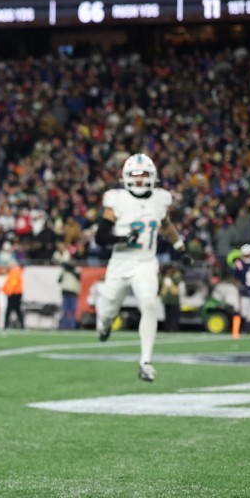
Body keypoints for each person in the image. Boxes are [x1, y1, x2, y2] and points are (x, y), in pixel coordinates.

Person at [93, 153, 188, 382]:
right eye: (134, 175)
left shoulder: (160, 199)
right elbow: (100, 236)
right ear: (126, 177)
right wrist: (123, 238)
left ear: (151, 176)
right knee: (107, 311)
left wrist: (180, 247)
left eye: (142, 175)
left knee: (148, 304)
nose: (137, 180)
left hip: (145, 263)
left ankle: (145, 361)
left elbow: (164, 225)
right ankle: (104, 324)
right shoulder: (117, 200)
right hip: (120, 264)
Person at [159, 264, 184, 333]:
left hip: (174, 299)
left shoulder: (175, 275)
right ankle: (167, 328)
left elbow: (177, 281)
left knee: (174, 316)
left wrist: (171, 277)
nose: (169, 271)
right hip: (167, 299)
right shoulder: (163, 276)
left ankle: (174, 329)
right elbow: (159, 281)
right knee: (167, 315)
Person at [58, 258, 81, 330]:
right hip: (66, 292)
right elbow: (59, 280)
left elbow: (78, 276)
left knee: (72, 311)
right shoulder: (65, 272)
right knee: (65, 310)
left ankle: (72, 326)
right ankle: (64, 326)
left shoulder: (76, 271)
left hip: (73, 293)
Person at [3, 259, 25, 329]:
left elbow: (13, 283)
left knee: (9, 310)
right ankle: (22, 325)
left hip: (14, 293)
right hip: (15, 293)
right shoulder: (15, 271)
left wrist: (9, 292)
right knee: (17, 310)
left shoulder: (15, 272)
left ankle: (6, 325)